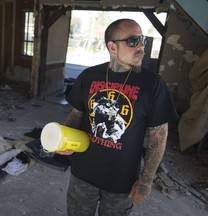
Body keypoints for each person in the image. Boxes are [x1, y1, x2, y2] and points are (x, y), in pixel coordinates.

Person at [57, 19, 178, 216]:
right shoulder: (89, 76)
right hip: (82, 174)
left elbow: (159, 136)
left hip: (122, 181)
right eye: (133, 41)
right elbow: (76, 113)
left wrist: (146, 181)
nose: (141, 46)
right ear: (112, 47)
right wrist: (64, 139)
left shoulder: (153, 84)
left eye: (142, 40)